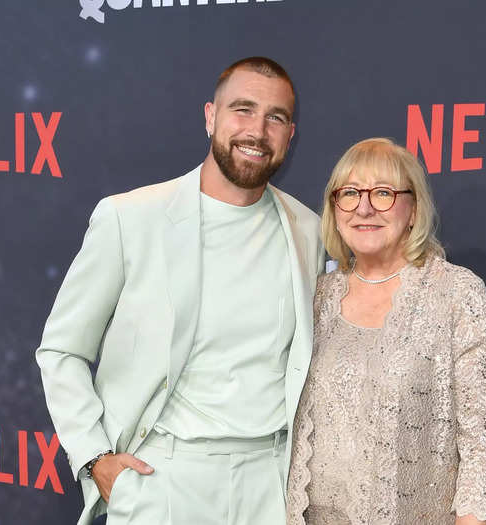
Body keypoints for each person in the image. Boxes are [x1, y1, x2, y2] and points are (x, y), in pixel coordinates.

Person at [36, 57, 324, 525]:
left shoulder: (307, 230)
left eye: (276, 117)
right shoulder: (130, 219)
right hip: (162, 478)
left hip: (270, 484)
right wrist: (95, 458)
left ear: (290, 136)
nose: (258, 130)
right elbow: (61, 349)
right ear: (210, 116)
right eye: (243, 110)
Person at [286, 138, 486, 525]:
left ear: (413, 209)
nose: (365, 207)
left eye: (384, 193)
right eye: (350, 193)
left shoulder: (457, 293)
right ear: (334, 208)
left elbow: (483, 449)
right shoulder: (315, 294)